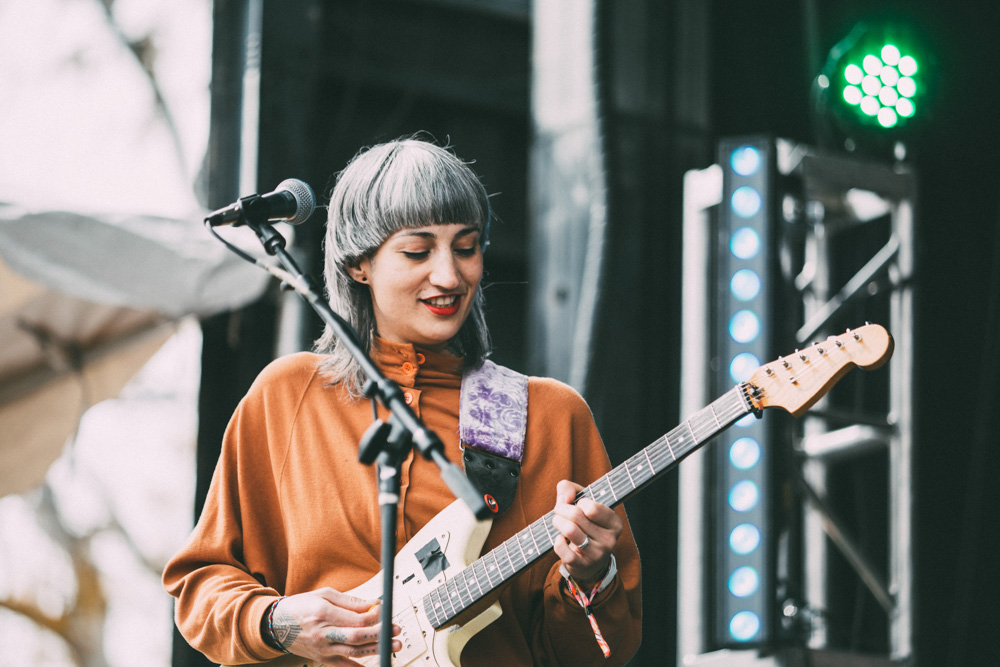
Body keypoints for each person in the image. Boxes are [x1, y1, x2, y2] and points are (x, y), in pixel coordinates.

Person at [162, 137, 642, 666]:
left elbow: (602, 655)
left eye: (466, 247)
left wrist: (592, 577)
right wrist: (276, 623)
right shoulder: (286, 395)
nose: (449, 276)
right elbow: (200, 584)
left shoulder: (550, 414)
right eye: (417, 251)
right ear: (356, 265)